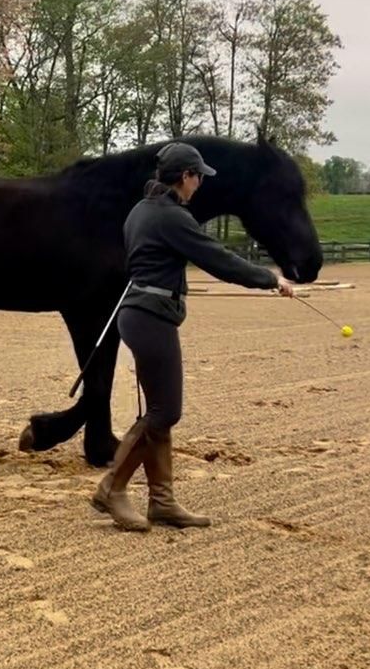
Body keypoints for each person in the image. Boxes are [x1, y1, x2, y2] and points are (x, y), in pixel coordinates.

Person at [92, 141, 295, 532]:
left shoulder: (141, 210)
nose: (200, 184)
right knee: (165, 411)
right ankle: (111, 489)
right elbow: (218, 259)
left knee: (160, 412)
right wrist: (272, 279)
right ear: (185, 176)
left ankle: (162, 502)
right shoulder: (171, 217)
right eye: (198, 177)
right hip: (150, 317)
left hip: (142, 314)